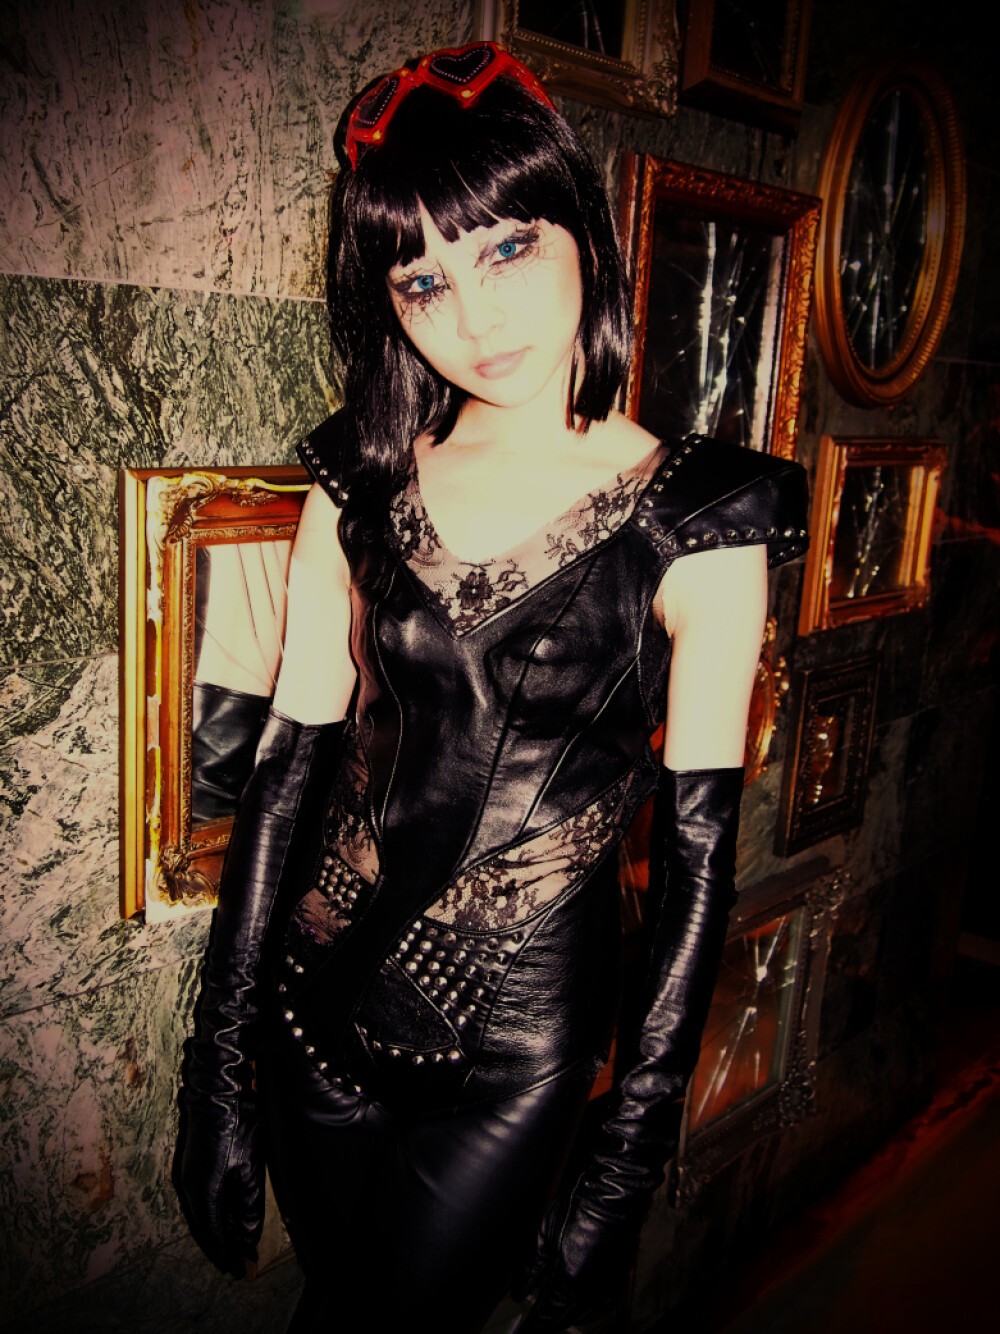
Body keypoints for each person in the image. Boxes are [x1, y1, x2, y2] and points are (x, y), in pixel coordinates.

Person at [173, 40, 809, 1334]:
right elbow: (287, 779)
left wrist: (625, 1160)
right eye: (425, 279)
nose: (475, 317)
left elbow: (697, 871)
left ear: (581, 227)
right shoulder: (357, 481)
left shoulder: (702, 518)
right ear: (389, 303)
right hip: (311, 1005)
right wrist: (218, 1070)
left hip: (513, 1051)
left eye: (507, 249)